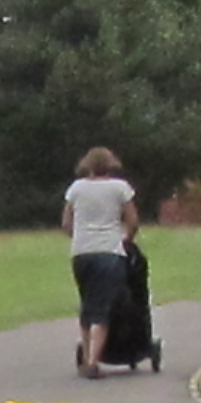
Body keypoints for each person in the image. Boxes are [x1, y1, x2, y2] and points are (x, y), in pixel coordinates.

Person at [63, 147, 138, 378]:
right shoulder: (120, 188)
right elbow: (132, 221)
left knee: (87, 303)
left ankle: (86, 356)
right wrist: (126, 239)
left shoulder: (76, 188)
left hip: (81, 253)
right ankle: (94, 362)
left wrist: (80, 238)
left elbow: (67, 223)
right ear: (111, 164)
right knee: (103, 308)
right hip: (109, 252)